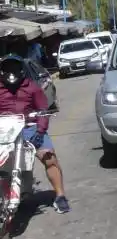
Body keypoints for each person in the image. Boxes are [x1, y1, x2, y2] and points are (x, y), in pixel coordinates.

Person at [0, 55, 70, 213]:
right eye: (8, 69)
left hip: (29, 128)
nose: (11, 72)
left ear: (21, 70)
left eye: (15, 68)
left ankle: (60, 196)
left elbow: (42, 111)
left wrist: (40, 131)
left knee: (49, 157)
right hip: (4, 130)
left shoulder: (32, 87)